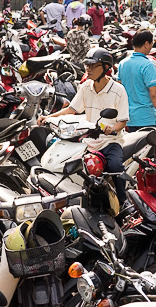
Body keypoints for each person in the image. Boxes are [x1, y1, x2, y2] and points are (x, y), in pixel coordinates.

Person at [37, 48, 129, 203]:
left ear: (106, 67)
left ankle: (123, 200)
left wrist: (111, 130)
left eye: (93, 66)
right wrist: (48, 117)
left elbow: (123, 121)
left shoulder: (118, 90)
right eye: (87, 65)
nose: (88, 69)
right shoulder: (85, 87)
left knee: (114, 167)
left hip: (110, 142)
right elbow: (72, 109)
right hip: (88, 141)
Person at [118, 29, 156, 151]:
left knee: (136, 156)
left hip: (130, 119)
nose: (151, 47)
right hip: (147, 119)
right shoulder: (147, 65)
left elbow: (120, 90)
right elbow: (154, 95)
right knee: (153, 158)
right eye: (151, 44)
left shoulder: (122, 63)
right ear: (146, 43)